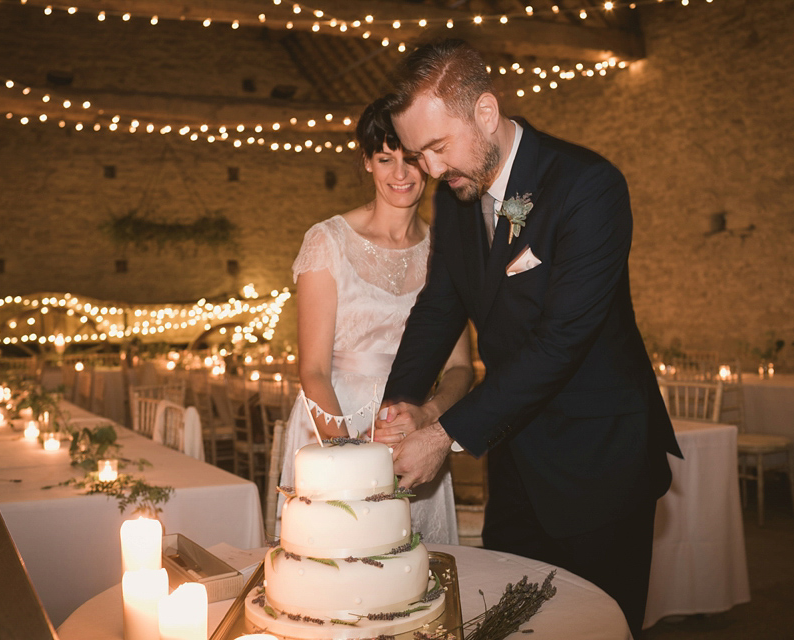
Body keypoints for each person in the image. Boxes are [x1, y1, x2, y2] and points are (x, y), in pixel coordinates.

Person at [376, 40, 681, 637]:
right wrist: (401, 403)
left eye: (438, 148)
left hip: (599, 464)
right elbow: (440, 306)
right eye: (419, 154)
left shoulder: (589, 187)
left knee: (594, 624)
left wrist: (444, 435)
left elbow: (561, 342)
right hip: (516, 461)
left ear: (485, 113)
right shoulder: (458, 195)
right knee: (507, 622)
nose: (432, 170)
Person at [278, 97, 473, 544]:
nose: (400, 175)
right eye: (385, 159)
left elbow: (462, 367)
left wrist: (429, 419)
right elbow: (312, 370)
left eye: (410, 160)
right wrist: (353, 462)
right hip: (334, 427)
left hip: (412, 433)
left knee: (410, 577)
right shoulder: (328, 241)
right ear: (367, 162)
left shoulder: (447, 251)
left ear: (428, 162)